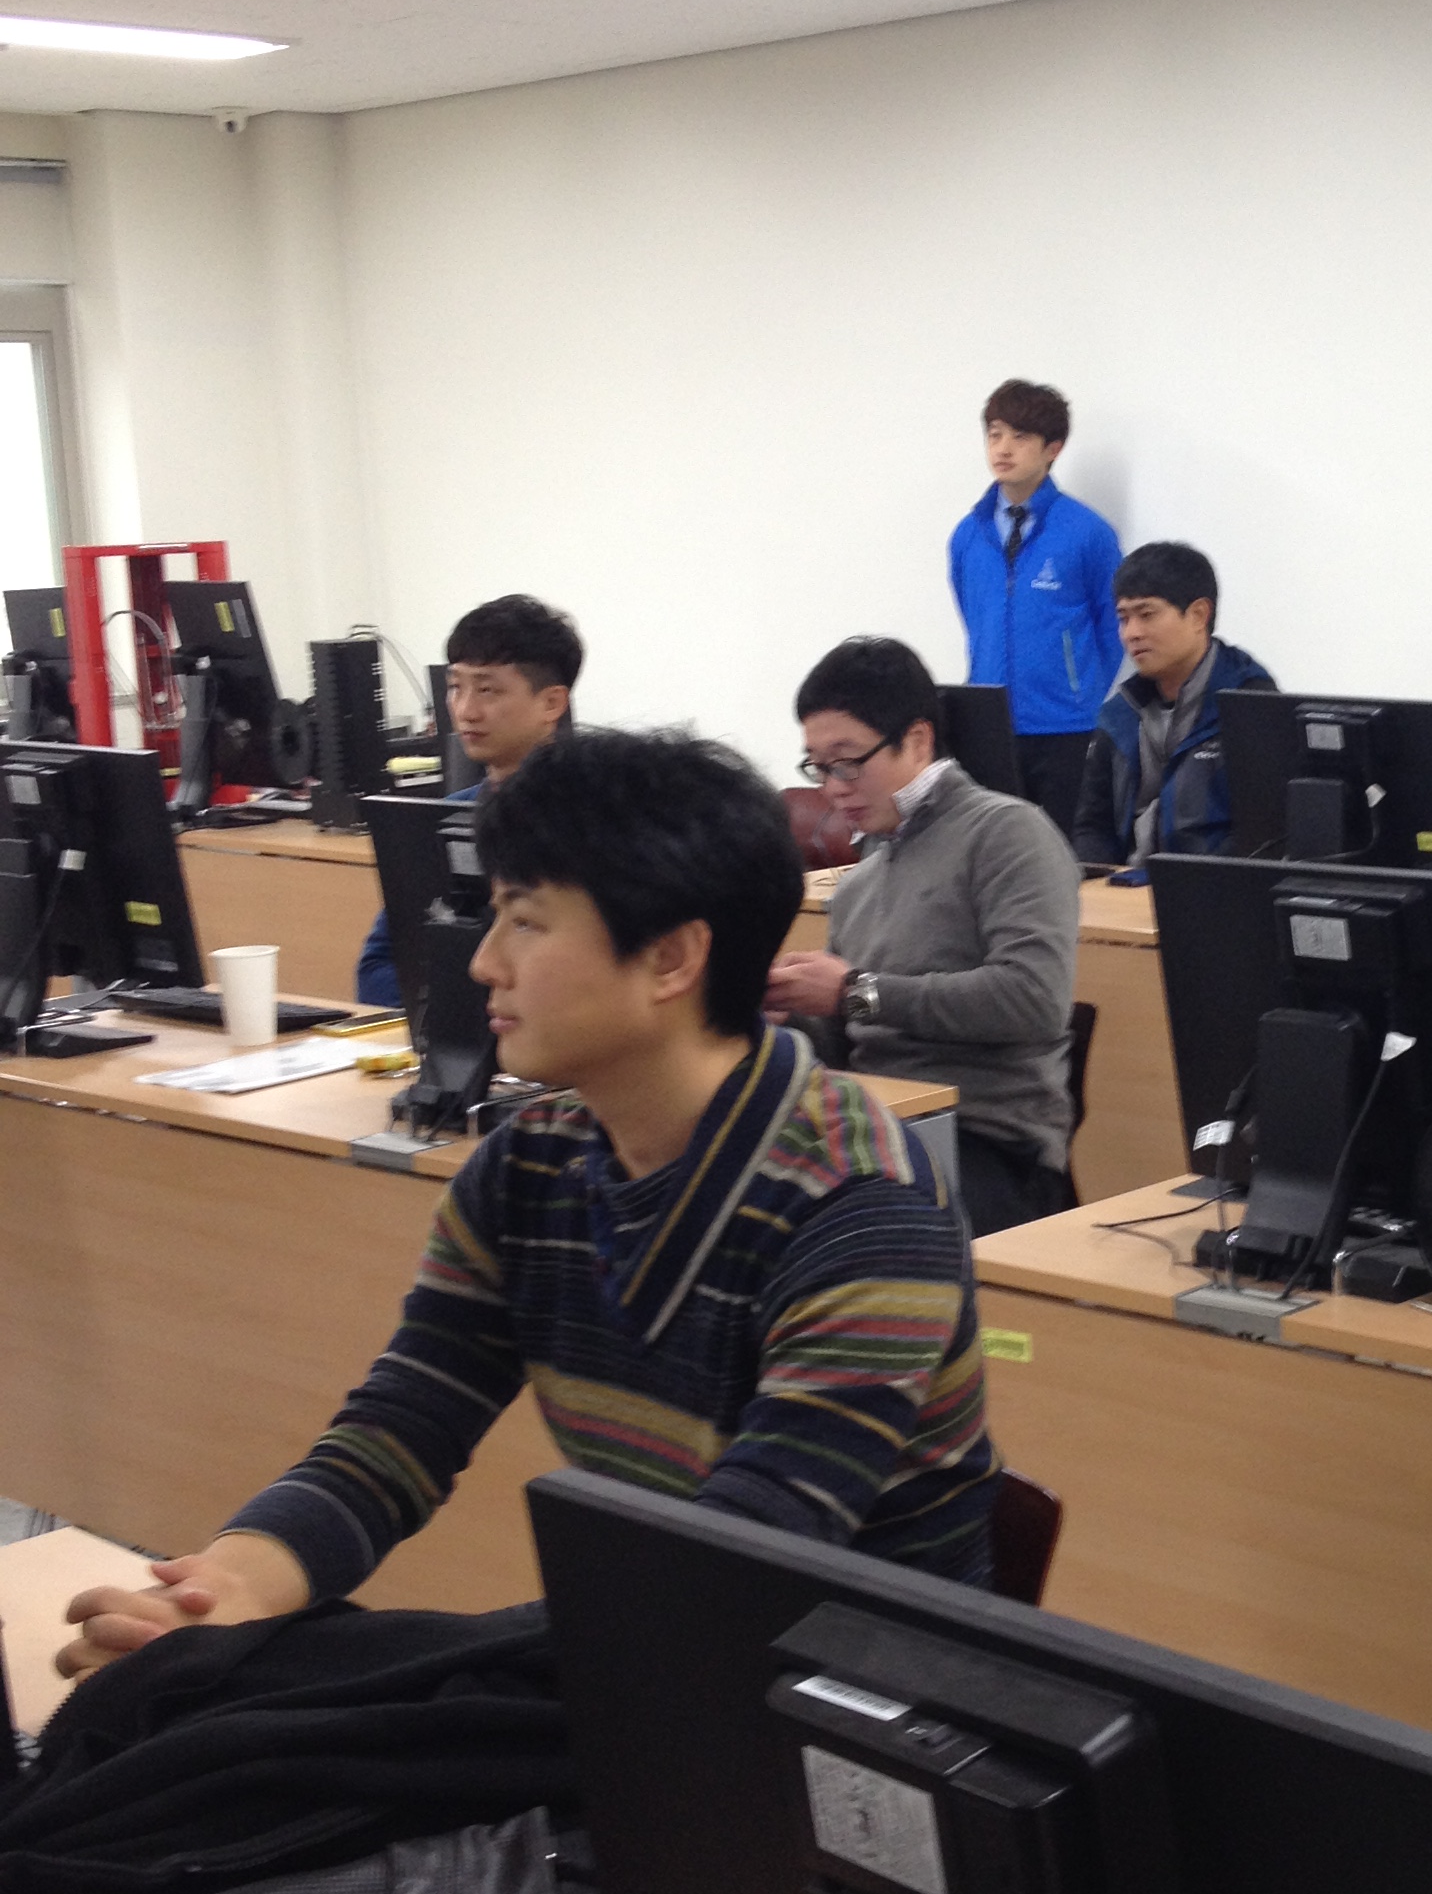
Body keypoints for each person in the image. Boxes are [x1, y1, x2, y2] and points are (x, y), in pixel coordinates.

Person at [61, 730, 998, 1678]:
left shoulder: (860, 1210)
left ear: (671, 958)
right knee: (178, 1707)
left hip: (839, 1706)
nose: (484, 963)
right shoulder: (531, 1164)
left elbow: (737, 1563)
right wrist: (225, 1592)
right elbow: (403, 1425)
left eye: (526, 922)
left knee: (266, 1712)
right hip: (652, 1654)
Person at [768, 637, 1080, 1237]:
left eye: (847, 761)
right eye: (818, 767)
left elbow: (1034, 1000)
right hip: (878, 1127)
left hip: (985, 1142)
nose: (833, 787)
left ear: (916, 741)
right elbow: (849, 1037)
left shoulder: (1008, 833)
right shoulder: (861, 881)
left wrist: (854, 992)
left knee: (839, 1230)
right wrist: (786, 1009)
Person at [357, 593, 582, 1009]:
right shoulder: (448, 818)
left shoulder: (593, 824)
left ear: (551, 703)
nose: (465, 710)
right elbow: (378, 970)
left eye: (487, 690)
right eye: (455, 687)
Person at [946, 378, 1122, 841]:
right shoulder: (967, 535)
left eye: (1020, 436)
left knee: (1061, 854)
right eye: (995, 434)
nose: (1003, 448)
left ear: (1053, 449)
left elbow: (1113, 626)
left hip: (1065, 727)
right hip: (989, 728)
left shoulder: (1088, 533)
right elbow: (973, 617)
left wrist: (1081, 693)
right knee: (994, 856)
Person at [1072, 541, 1275, 872]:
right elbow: (1092, 827)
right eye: (1123, 618)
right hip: (1125, 888)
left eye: (1147, 615)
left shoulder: (1250, 704)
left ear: (1198, 615)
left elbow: (1265, 834)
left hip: (1208, 888)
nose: (1132, 633)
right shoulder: (1118, 714)